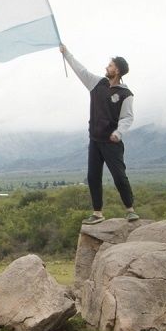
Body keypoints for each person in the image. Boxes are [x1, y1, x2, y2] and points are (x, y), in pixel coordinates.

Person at [60, 44, 139, 225]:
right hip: (95, 140)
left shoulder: (125, 94)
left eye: (110, 65)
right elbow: (81, 70)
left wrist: (118, 133)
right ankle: (97, 213)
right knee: (93, 176)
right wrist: (66, 53)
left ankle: (130, 210)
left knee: (119, 176)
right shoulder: (97, 84)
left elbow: (127, 117)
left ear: (117, 70)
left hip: (112, 142)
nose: (106, 67)